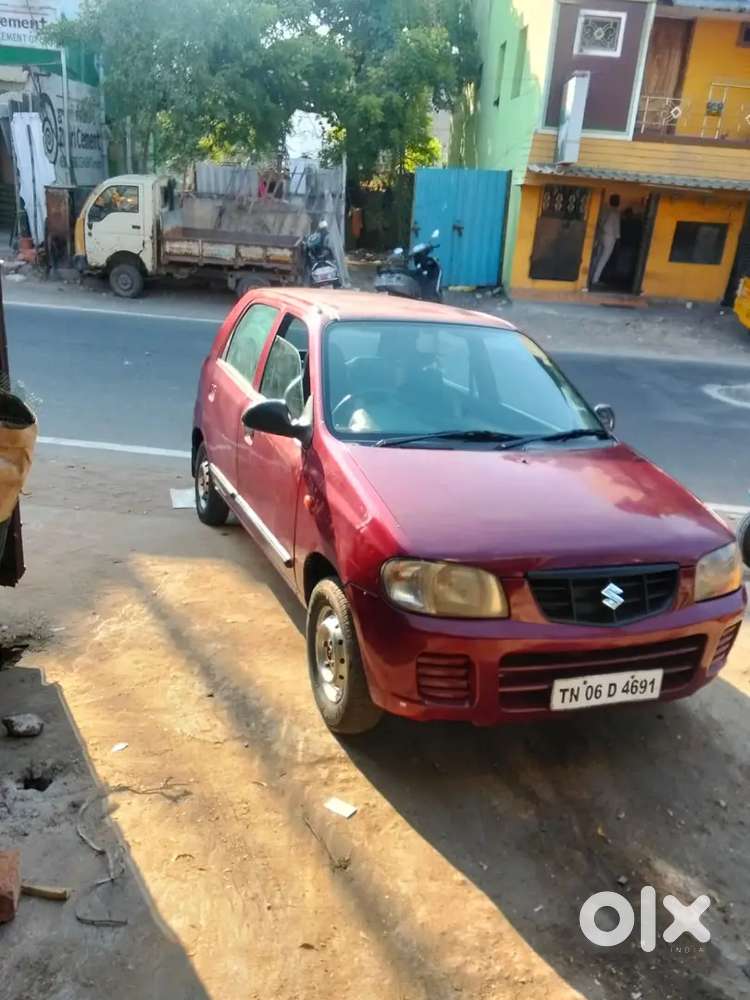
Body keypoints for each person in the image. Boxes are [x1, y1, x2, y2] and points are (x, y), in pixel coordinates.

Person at [592, 194, 621, 285]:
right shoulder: (615, 212)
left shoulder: (605, 210)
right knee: (603, 259)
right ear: (617, 202)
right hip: (610, 237)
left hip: (601, 235)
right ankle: (595, 279)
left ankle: (591, 276)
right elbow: (616, 228)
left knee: (597, 257)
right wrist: (618, 240)